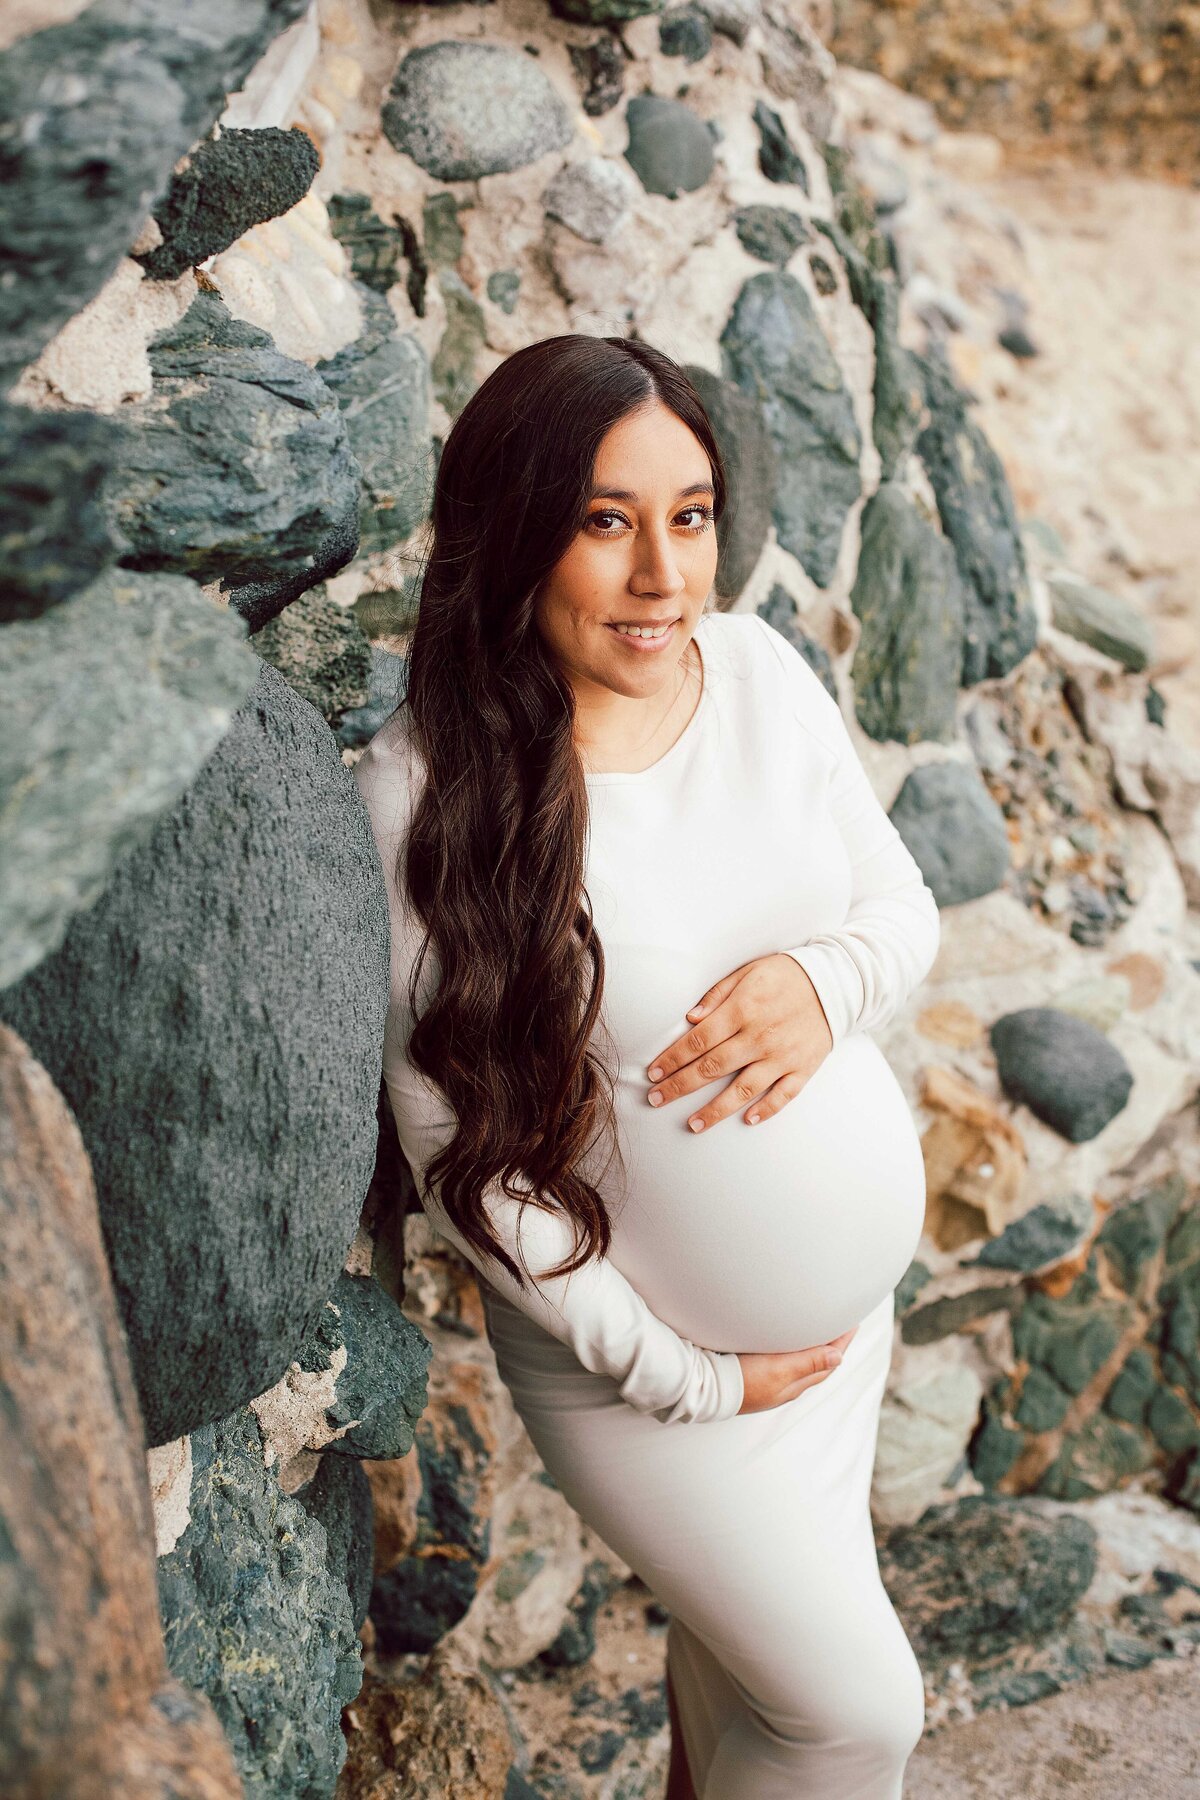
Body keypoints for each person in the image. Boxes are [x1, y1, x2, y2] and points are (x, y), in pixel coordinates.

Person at [353, 333, 942, 1799]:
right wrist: (684, 1377)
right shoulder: (423, 796)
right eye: (607, 522)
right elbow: (463, 1169)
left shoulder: (753, 672)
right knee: (859, 1719)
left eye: (689, 518)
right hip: (655, 1391)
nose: (664, 577)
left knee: (752, 1698)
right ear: (516, 528)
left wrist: (824, 983)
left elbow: (901, 911)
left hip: (840, 1344)